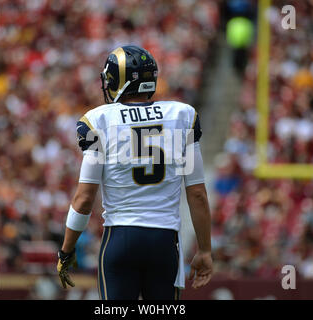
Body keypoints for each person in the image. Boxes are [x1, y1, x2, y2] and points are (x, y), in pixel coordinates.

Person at [57, 45, 213, 300]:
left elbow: (84, 199)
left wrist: (67, 249)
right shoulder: (181, 116)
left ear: (119, 81)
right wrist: (205, 249)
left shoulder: (98, 121)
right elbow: (197, 195)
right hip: (165, 242)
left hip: (120, 239)